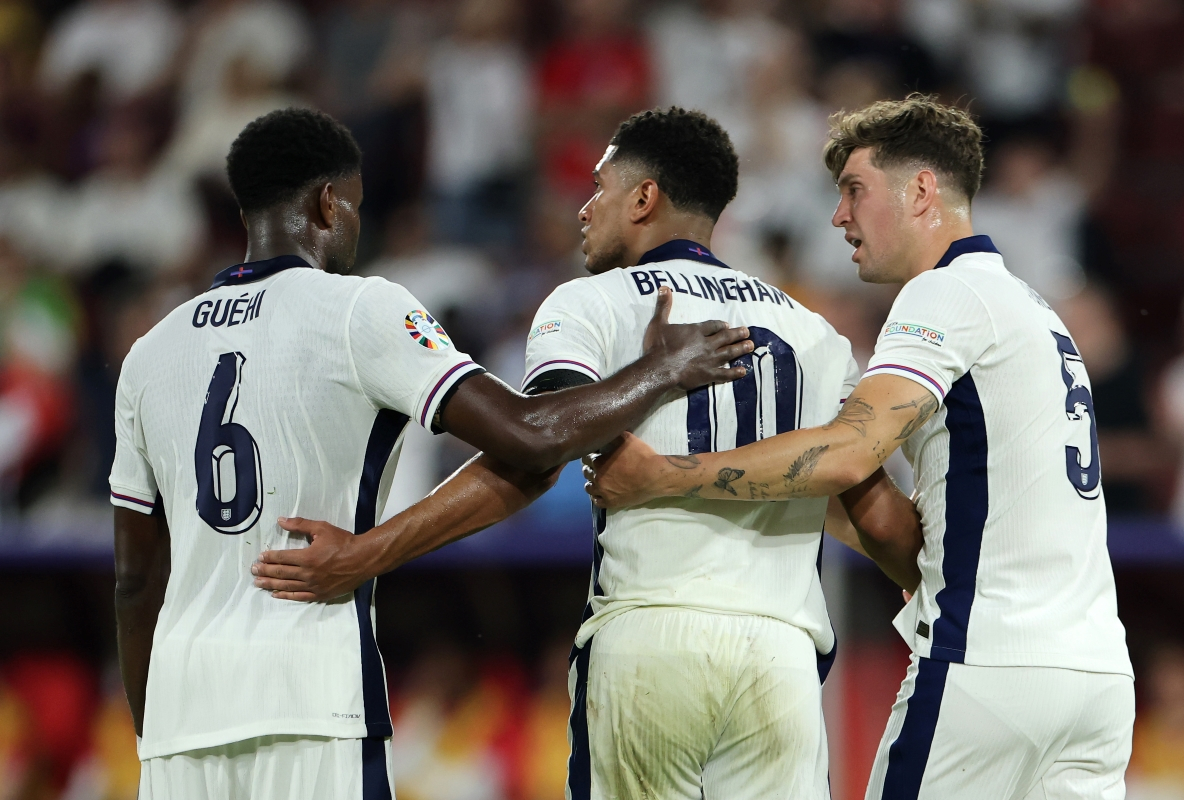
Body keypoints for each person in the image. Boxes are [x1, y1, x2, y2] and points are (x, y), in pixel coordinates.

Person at [251, 107, 921, 800]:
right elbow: (876, 517)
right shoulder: (814, 332)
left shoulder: (592, 303)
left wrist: (368, 554)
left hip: (650, 638)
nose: (583, 208)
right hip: (782, 657)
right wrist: (930, 577)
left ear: (643, 198)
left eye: (599, 187)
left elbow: (533, 453)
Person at [110, 107, 753, 800]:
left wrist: (158, 730)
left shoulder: (149, 352)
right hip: (308, 698)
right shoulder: (358, 310)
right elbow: (532, 435)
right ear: (330, 203)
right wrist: (659, 370)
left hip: (179, 723)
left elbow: (135, 579)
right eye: (354, 206)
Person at [585, 96, 1135, 800]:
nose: (838, 217)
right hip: (1097, 682)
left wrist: (665, 474)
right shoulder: (1036, 310)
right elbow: (888, 499)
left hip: (987, 666)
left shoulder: (944, 295)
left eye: (853, 191)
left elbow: (848, 452)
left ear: (923, 191)